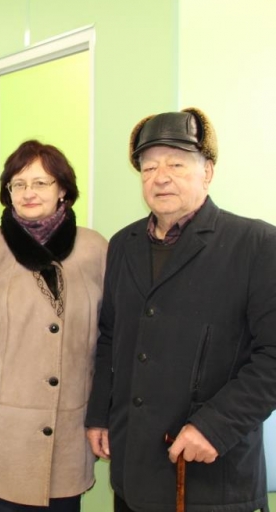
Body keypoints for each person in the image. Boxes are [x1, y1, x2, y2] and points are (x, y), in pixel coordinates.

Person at [85, 108, 276, 511]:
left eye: (176, 164)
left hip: (210, 475)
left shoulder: (257, 244)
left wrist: (215, 427)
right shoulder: (123, 244)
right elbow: (110, 337)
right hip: (133, 472)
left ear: (208, 171)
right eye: (149, 167)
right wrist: (99, 413)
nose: (160, 177)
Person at [0, 140, 107, 511]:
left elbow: (108, 342)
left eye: (41, 183)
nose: (29, 192)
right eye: (19, 184)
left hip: (68, 436)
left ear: (63, 190)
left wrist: (103, 416)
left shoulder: (95, 249)